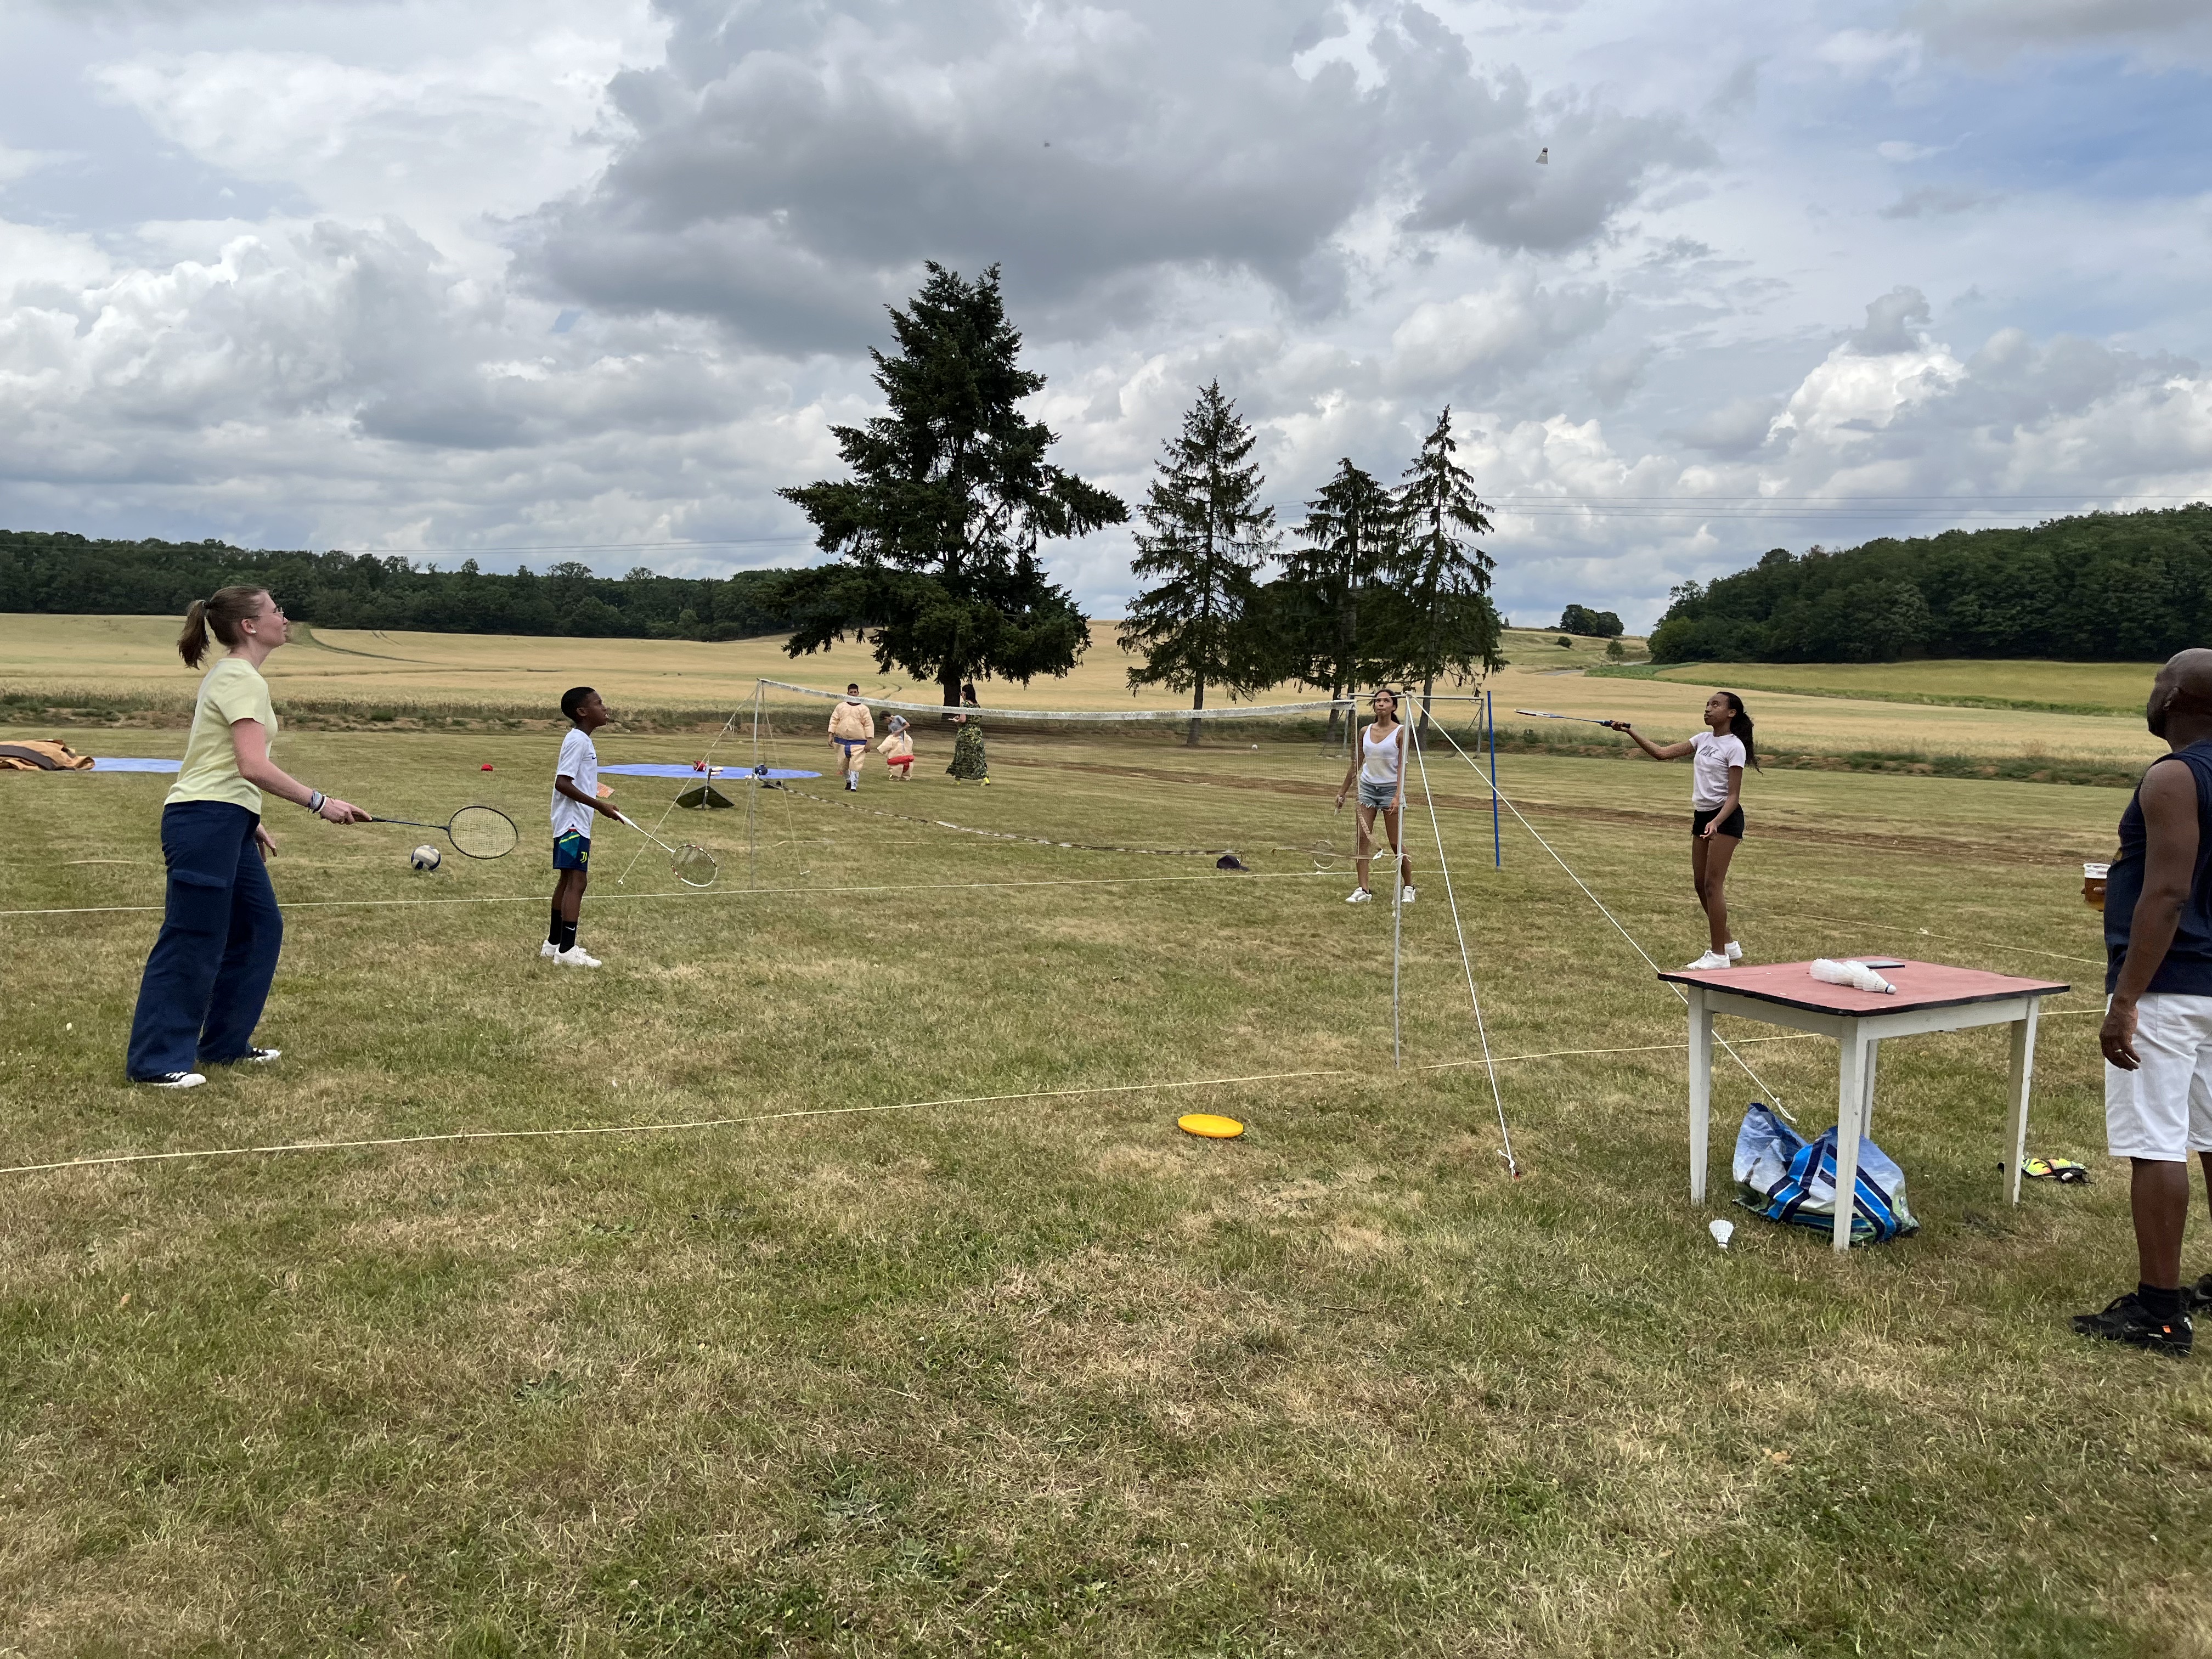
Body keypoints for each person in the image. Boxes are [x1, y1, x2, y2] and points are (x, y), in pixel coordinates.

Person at [125, 587, 369, 1088]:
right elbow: (251, 764)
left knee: (260, 930)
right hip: (203, 822)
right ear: (250, 626)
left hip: (224, 820)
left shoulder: (239, 677)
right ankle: (154, 1062)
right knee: (192, 939)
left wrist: (247, 818)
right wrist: (321, 804)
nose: (285, 616)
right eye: (276, 610)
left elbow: (214, 759)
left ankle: (223, 1044)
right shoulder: (240, 677)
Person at [2080, 648, 2212, 1357]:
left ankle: (2160, 1313)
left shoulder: (2174, 775)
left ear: (2179, 698)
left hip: (2170, 986)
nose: (2151, 690)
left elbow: (2167, 893)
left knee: (2157, 1144)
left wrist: (2125, 999)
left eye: (2159, 679)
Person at [1607, 691, 1756, 969]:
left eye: (1716, 705)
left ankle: (1719, 956)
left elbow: (1734, 796)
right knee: (1700, 885)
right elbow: (1662, 754)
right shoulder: (1702, 739)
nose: (1708, 709)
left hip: (1725, 819)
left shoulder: (1735, 746)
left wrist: (1717, 822)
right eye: (1707, 704)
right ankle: (1730, 945)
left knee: (1714, 885)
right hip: (1702, 817)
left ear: (1732, 713)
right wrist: (1630, 732)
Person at [544, 686, 620, 968]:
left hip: (573, 820)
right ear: (583, 712)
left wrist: (601, 799)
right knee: (578, 882)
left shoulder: (581, 740)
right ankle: (567, 950)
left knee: (567, 881)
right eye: (599, 703)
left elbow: (578, 780)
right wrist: (599, 806)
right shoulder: (578, 741)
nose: (605, 707)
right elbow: (562, 783)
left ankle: (553, 945)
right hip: (573, 823)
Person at [1333, 687, 1414, 906]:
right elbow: (1357, 762)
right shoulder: (1364, 731)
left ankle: (1408, 887)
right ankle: (1363, 889)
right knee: (1362, 840)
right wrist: (1343, 792)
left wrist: (1397, 796)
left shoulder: (1401, 732)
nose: (1380, 704)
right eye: (1378, 701)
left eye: (1386, 701)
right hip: (1367, 790)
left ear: (1394, 707)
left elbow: (1402, 768)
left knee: (1395, 842)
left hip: (1390, 791)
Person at [828, 683, 874, 792]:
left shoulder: (864, 709)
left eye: (855, 692)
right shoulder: (841, 707)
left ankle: (854, 786)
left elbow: (868, 725)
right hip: (842, 741)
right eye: (851, 692)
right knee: (843, 765)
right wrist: (831, 734)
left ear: (858, 693)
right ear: (848, 693)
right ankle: (848, 781)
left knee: (856, 765)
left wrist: (869, 741)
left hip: (858, 742)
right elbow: (834, 720)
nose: (853, 694)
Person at [946, 711, 989, 782]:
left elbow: (963, 720)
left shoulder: (964, 705)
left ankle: (958, 780)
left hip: (965, 735)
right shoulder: (977, 706)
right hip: (976, 734)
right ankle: (985, 779)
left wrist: (957, 720)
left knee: (960, 756)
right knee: (978, 757)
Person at [878, 715, 916, 781]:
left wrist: (881, 750)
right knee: (903, 763)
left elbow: (907, 725)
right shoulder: (890, 727)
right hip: (900, 744)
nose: (884, 722)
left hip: (901, 743)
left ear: (886, 718)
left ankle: (901, 777)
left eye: (884, 720)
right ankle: (903, 777)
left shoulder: (898, 718)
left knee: (899, 764)